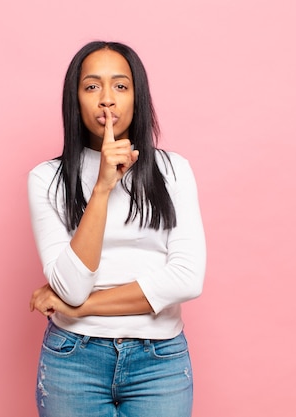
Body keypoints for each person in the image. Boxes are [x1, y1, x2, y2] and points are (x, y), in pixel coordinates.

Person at [27, 40, 206, 417]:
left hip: (159, 361)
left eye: (120, 86)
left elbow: (187, 279)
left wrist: (81, 308)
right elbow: (71, 286)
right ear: (74, 99)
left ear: (137, 98)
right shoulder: (47, 179)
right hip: (73, 360)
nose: (107, 99)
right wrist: (103, 187)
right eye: (92, 86)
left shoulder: (173, 171)